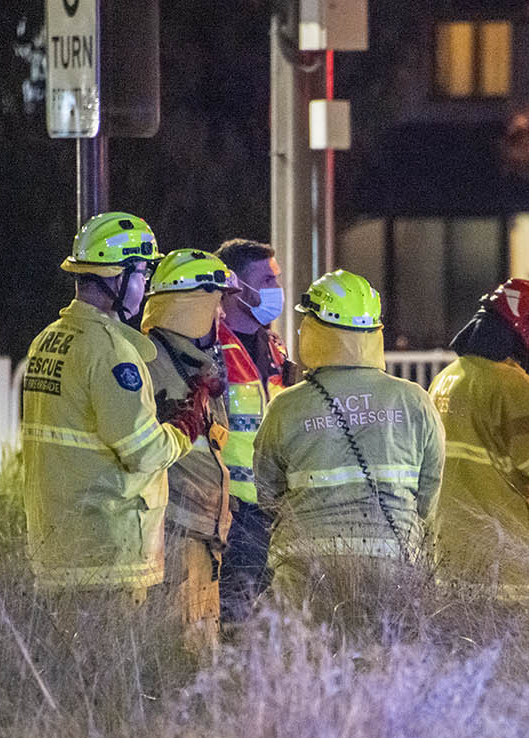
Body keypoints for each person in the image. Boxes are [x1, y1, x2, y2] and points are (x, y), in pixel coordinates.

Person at [252, 270, 444, 620]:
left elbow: (266, 492)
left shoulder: (286, 406)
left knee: (307, 665)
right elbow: (428, 494)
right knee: (385, 663)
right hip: (393, 562)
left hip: (304, 566)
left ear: (316, 329)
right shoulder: (413, 401)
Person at [20, 212, 193, 601]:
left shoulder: (47, 340)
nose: (145, 285)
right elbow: (143, 452)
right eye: (143, 274)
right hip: (108, 551)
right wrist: (183, 431)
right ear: (118, 276)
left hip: (56, 544)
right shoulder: (112, 353)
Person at [429, 278, 529, 599]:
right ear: (526, 332)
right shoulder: (513, 386)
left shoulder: (446, 380)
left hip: (451, 557)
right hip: (511, 566)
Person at [140, 248, 239, 655]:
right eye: (216, 307)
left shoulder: (191, 362)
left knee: (201, 650)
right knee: (181, 656)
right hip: (176, 534)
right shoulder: (150, 360)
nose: (222, 319)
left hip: (201, 535)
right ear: (193, 308)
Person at [213, 238, 295, 622]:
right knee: (235, 621)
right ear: (235, 286)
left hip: (272, 511)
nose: (275, 290)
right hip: (231, 511)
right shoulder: (210, 347)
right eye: (265, 280)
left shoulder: (274, 349)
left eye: (276, 279)